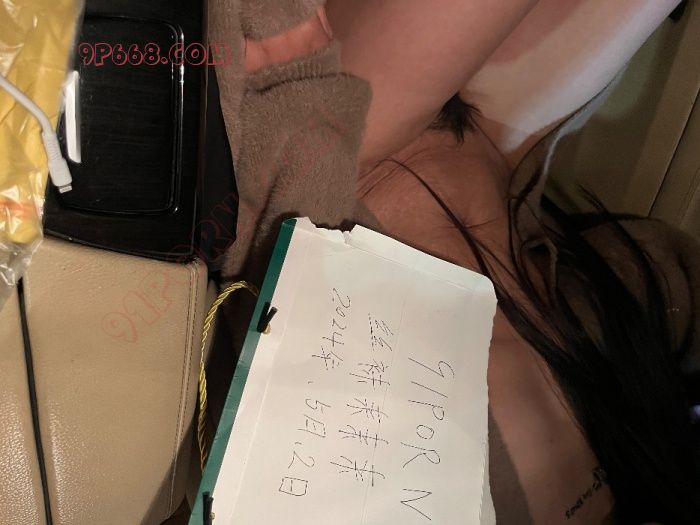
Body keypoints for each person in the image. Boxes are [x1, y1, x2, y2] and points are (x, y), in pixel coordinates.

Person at [211, 0, 700, 522]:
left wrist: (295, 116)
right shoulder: (653, 466)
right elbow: (653, 271)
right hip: (496, 154)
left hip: (335, 170)